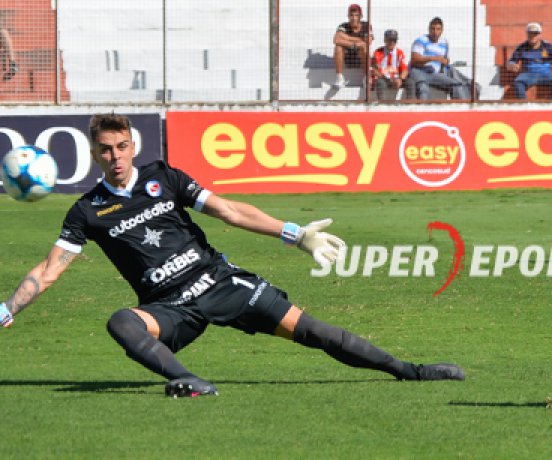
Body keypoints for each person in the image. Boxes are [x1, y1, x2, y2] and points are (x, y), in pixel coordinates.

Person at [0, 114, 465, 397]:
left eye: (122, 146)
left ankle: (411, 371)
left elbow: (228, 210)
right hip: (171, 308)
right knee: (122, 322)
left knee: (316, 333)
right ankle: (190, 381)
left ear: (132, 145)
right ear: (95, 153)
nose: (116, 156)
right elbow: (48, 270)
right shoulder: (89, 211)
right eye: (106, 150)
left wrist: (295, 234)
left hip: (221, 282)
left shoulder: (165, 177)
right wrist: (6, 310)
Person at [409, 17, 472, 100]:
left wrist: (446, 61)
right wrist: (432, 58)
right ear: (429, 29)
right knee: (423, 88)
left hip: (435, 74)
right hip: (420, 72)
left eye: (438, 29)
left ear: (442, 30)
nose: (435, 32)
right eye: (433, 29)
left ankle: (464, 109)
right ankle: (423, 111)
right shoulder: (421, 40)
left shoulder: (444, 43)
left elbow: (445, 59)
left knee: (456, 84)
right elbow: (414, 60)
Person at [505, 22, 552, 100]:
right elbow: (511, 62)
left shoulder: (548, 46)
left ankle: (551, 104)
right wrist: (511, 65)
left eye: (535, 34)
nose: (533, 36)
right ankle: (525, 106)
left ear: (540, 34)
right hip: (528, 74)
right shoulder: (521, 47)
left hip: (546, 74)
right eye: (530, 34)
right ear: (527, 34)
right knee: (518, 83)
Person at [333, 4, 373, 89]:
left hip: (361, 58)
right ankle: (339, 78)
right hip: (347, 58)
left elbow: (368, 42)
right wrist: (357, 42)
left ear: (361, 16)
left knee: (365, 48)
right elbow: (336, 40)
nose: (354, 18)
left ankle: (366, 77)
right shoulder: (343, 26)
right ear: (348, 16)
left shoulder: (366, 25)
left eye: (356, 15)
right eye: (351, 15)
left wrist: (347, 38)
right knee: (338, 47)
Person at [371, 29, 409, 100]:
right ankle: (380, 104)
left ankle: (411, 105)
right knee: (380, 83)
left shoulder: (399, 53)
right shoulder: (378, 52)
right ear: (385, 40)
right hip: (384, 79)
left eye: (394, 40)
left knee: (411, 82)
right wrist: (387, 79)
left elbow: (405, 70)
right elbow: (374, 70)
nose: (391, 42)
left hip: (397, 79)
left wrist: (400, 79)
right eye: (389, 40)